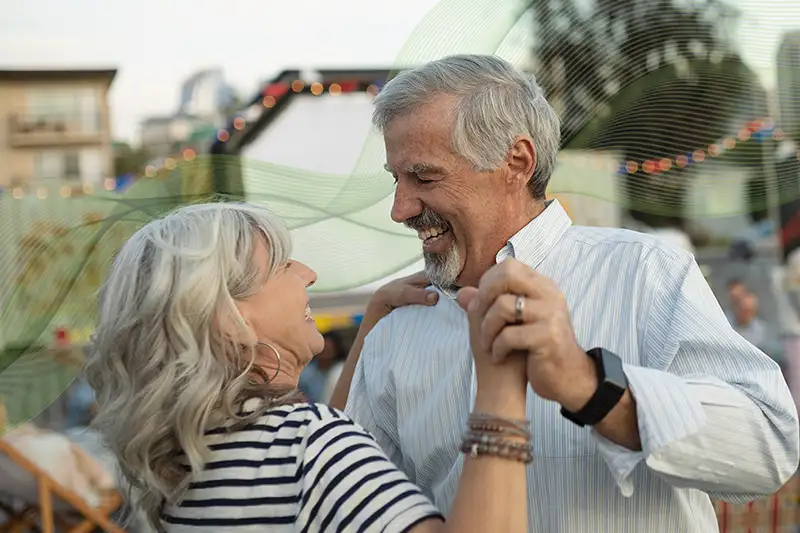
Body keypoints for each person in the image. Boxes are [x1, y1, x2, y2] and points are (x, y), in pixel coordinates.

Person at [341, 54, 800, 533]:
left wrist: (590, 386)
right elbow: (355, 506)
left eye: (425, 177)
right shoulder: (398, 328)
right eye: (398, 179)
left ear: (516, 162)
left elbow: (770, 449)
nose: (400, 209)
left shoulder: (643, 271)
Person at [83, 202, 534, 533]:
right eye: (281, 265)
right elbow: (316, 455)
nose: (307, 273)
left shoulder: (187, 461)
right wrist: (501, 384)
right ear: (231, 320)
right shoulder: (307, 449)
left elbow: (317, 463)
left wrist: (374, 317)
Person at [298, 331, 347, 403]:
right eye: (323, 349)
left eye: (329, 350)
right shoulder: (306, 372)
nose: (325, 353)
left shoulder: (340, 370)